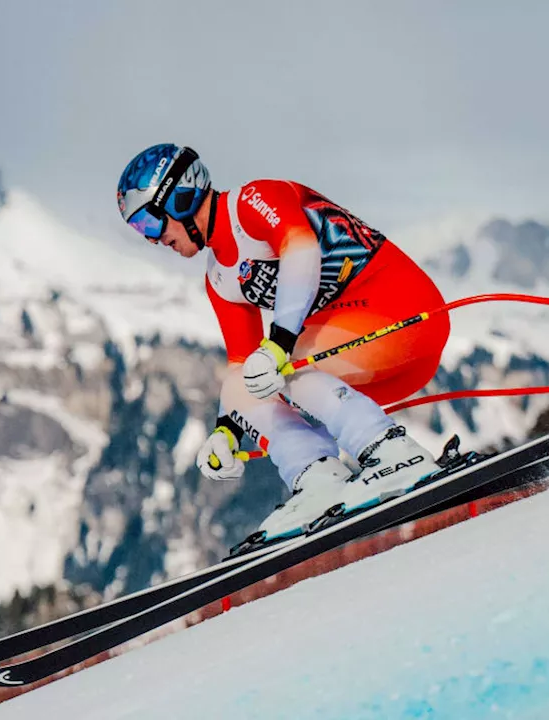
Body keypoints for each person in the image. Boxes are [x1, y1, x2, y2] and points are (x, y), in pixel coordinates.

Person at [116, 143, 453, 543]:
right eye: (140, 232)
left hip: (405, 314)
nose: (153, 240)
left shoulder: (251, 202)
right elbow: (241, 364)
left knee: (284, 360)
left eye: (150, 224)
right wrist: (228, 429)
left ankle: (391, 451)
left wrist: (278, 344)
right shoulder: (219, 278)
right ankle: (317, 476)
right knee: (241, 380)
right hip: (357, 354)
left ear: (181, 197)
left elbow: (302, 251)